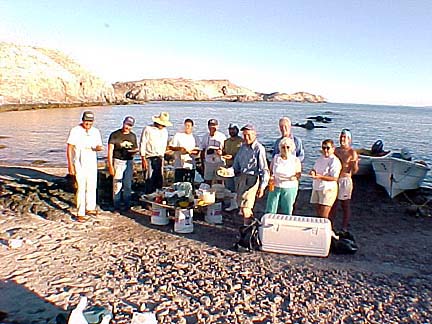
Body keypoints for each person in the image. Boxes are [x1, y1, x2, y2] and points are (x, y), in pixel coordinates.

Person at [66, 111, 103, 222]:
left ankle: (90, 207)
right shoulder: (75, 130)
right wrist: (70, 165)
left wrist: (98, 148)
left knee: (92, 186)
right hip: (79, 163)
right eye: (86, 121)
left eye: (90, 121)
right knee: (81, 188)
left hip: (92, 162)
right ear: (82, 120)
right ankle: (80, 213)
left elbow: (99, 145)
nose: (88, 123)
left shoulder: (95, 131)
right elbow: (69, 148)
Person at [232, 124, 270, 225]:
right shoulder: (242, 147)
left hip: (253, 179)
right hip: (242, 178)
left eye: (248, 135)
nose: (246, 137)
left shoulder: (259, 149)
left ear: (254, 135)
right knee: (241, 205)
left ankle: (246, 229)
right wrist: (229, 172)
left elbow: (264, 169)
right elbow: (236, 164)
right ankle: (253, 225)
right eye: (244, 135)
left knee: (246, 206)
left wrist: (262, 187)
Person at [330, 129, 359, 231]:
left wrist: (354, 164)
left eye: (345, 137)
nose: (342, 139)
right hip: (335, 179)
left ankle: (344, 226)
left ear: (349, 140)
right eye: (341, 137)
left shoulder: (352, 153)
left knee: (345, 204)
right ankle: (331, 224)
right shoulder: (335, 151)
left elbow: (355, 171)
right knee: (333, 203)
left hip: (345, 180)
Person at [107, 116, 138, 211]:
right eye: (126, 124)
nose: (127, 127)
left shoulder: (132, 136)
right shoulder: (115, 135)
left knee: (128, 184)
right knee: (117, 184)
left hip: (129, 161)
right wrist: (110, 165)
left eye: (129, 125)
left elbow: (135, 148)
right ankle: (116, 205)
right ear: (123, 123)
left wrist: (135, 152)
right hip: (118, 160)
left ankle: (127, 205)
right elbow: (110, 151)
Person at [265, 137, 302, 215]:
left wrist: (295, 177)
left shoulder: (295, 160)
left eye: (288, 147)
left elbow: (298, 173)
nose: (285, 149)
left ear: (291, 148)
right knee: (271, 207)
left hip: (289, 187)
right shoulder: (276, 158)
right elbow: (270, 170)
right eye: (283, 147)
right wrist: (270, 177)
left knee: (287, 209)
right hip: (275, 185)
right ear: (280, 148)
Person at [140, 112, 172, 194]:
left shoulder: (165, 131)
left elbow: (164, 145)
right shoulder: (148, 129)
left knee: (159, 180)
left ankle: (157, 199)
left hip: (160, 157)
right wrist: (143, 158)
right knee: (149, 179)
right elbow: (142, 143)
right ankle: (148, 199)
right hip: (149, 156)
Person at [310, 139, 342, 218]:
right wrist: (312, 172)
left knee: (324, 215)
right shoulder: (320, 158)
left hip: (328, 189)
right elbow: (314, 169)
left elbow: (334, 178)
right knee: (318, 212)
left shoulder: (334, 161)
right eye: (323, 148)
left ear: (333, 149)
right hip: (317, 187)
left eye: (328, 148)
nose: (325, 150)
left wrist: (320, 177)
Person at [167, 118, 201, 184]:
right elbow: (170, 147)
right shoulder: (178, 135)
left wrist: (190, 152)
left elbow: (198, 150)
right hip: (179, 165)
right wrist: (180, 149)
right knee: (178, 184)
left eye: (189, 126)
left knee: (189, 184)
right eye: (186, 125)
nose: (187, 127)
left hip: (190, 165)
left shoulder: (195, 137)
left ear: (192, 127)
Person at [200, 119, 227, 184]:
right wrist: (202, 163)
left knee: (220, 180)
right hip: (208, 162)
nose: (212, 127)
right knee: (207, 180)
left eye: (214, 125)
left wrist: (221, 153)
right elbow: (202, 150)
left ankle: (219, 193)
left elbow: (226, 150)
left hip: (219, 162)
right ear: (208, 126)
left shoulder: (222, 136)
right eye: (210, 125)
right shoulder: (205, 137)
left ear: (217, 126)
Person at [222, 123, 243, 192]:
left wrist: (233, 157)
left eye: (233, 129)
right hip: (228, 168)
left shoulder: (242, 141)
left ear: (237, 130)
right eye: (230, 130)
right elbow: (224, 152)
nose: (231, 131)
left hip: (238, 169)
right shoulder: (226, 141)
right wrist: (221, 153)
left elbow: (243, 155)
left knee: (238, 189)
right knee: (228, 189)